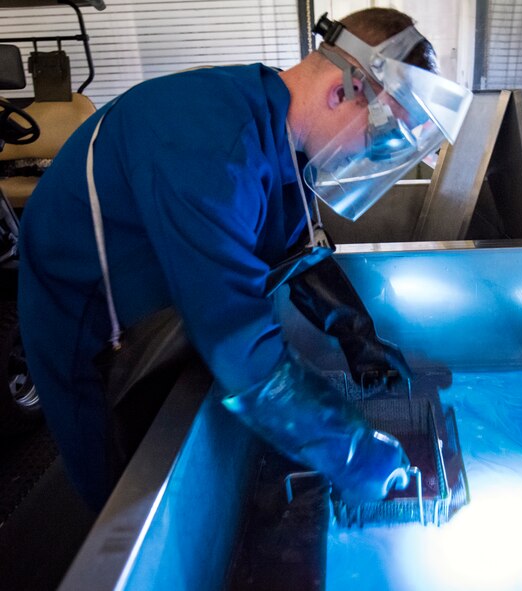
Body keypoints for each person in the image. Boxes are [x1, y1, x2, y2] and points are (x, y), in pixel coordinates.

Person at [17, 8, 472, 511]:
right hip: (91, 327)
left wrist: (356, 335)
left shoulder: (280, 133)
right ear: (342, 92)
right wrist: (350, 451)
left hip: (174, 297)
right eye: (379, 138)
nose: (369, 157)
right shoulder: (208, 141)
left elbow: (296, 249)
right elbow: (239, 343)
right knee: (122, 491)